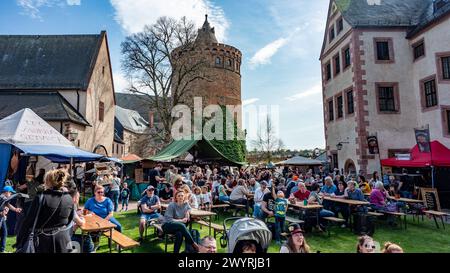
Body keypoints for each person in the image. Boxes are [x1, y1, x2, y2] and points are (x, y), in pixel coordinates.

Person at [16, 170, 75, 253]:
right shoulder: (68, 197)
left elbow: (28, 221)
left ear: (47, 181)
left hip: (43, 240)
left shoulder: (41, 197)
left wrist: (20, 240)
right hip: (63, 239)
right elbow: (70, 220)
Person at [1, 186, 23, 253]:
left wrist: (15, 209)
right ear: (7, 192)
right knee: (4, 233)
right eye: (10, 193)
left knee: (4, 233)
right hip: (1, 217)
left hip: (2, 218)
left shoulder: (4, 198)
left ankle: (2, 249)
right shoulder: (2, 197)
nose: (11, 195)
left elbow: (8, 205)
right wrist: (1, 213)